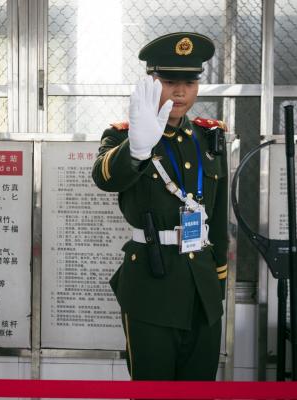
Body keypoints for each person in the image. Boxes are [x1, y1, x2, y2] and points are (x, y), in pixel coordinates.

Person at [92, 32, 228, 380]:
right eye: (169, 82)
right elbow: (104, 178)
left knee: (199, 388)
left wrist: (219, 278)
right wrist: (136, 150)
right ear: (152, 82)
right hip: (151, 286)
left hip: (202, 288)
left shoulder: (208, 137)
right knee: (152, 388)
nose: (180, 92)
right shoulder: (124, 135)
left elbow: (219, 215)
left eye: (189, 81)